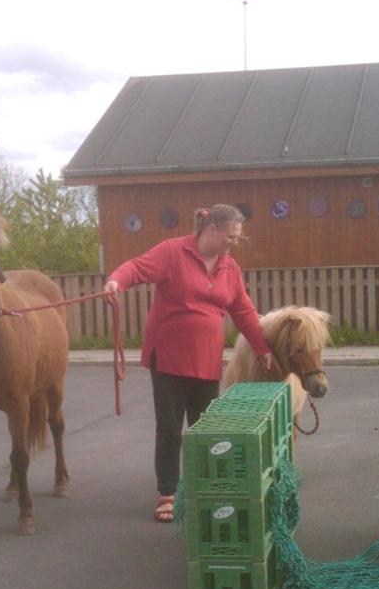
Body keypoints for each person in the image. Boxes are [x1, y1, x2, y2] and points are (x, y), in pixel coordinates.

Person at [103, 204, 277, 522]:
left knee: (205, 430)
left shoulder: (229, 268)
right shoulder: (173, 252)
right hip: (168, 358)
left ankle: (202, 488)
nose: (234, 243)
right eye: (231, 237)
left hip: (206, 361)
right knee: (170, 429)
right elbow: (135, 268)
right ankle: (167, 492)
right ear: (212, 230)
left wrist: (263, 348)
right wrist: (116, 282)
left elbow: (244, 312)